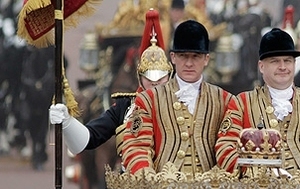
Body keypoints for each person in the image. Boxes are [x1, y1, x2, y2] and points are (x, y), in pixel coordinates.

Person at [215, 28, 300, 182]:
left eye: (287, 61)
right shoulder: (241, 103)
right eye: (275, 61)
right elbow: (224, 149)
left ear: (294, 64)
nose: (282, 67)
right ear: (261, 66)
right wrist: (254, 174)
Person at [48, 9, 172, 157]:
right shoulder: (125, 106)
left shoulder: (183, 102)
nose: (154, 83)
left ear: (169, 76)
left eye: (160, 77)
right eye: (149, 77)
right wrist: (67, 122)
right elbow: (88, 139)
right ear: (139, 78)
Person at [122, 19, 236, 177]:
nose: (189, 63)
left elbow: (230, 147)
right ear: (173, 57)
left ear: (206, 59)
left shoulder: (225, 100)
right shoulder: (148, 100)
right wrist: (148, 178)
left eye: (195, 56)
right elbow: (136, 147)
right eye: (183, 56)